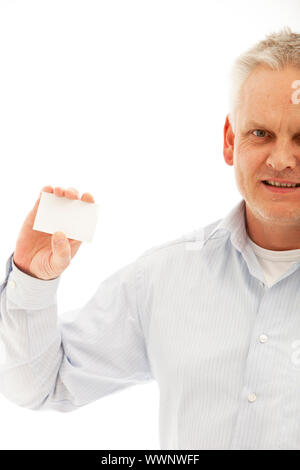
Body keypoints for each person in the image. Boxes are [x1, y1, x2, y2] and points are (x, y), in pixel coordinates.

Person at [1, 26, 300, 451]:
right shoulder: (165, 278)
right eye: (261, 133)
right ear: (231, 141)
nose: (283, 158)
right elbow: (39, 385)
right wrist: (32, 279)